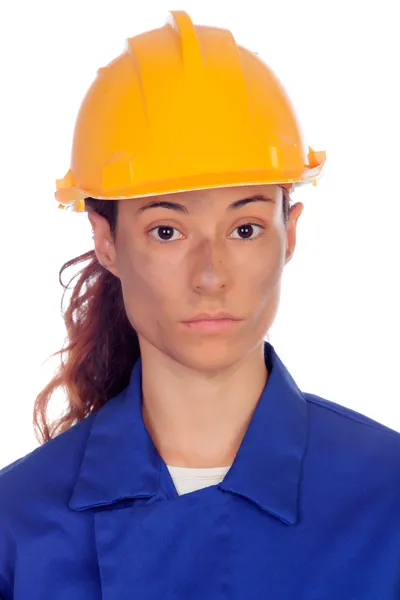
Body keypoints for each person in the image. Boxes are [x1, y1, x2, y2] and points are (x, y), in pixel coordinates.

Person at [1, 9, 400, 600]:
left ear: (290, 234)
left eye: (244, 229)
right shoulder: (18, 525)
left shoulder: (388, 497)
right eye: (167, 230)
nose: (211, 275)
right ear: (106, 241)